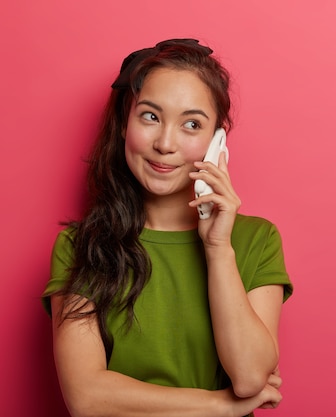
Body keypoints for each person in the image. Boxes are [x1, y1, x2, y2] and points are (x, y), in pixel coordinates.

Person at [42, 38, 293, 417]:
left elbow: (249, 377)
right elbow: (87, 398)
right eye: (150, 116)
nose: (165, 143)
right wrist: (220, 406)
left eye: (192, 124)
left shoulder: (256, 239)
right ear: (125, 123)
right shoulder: (79, 246)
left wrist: (218, 248)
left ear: (216, 141)